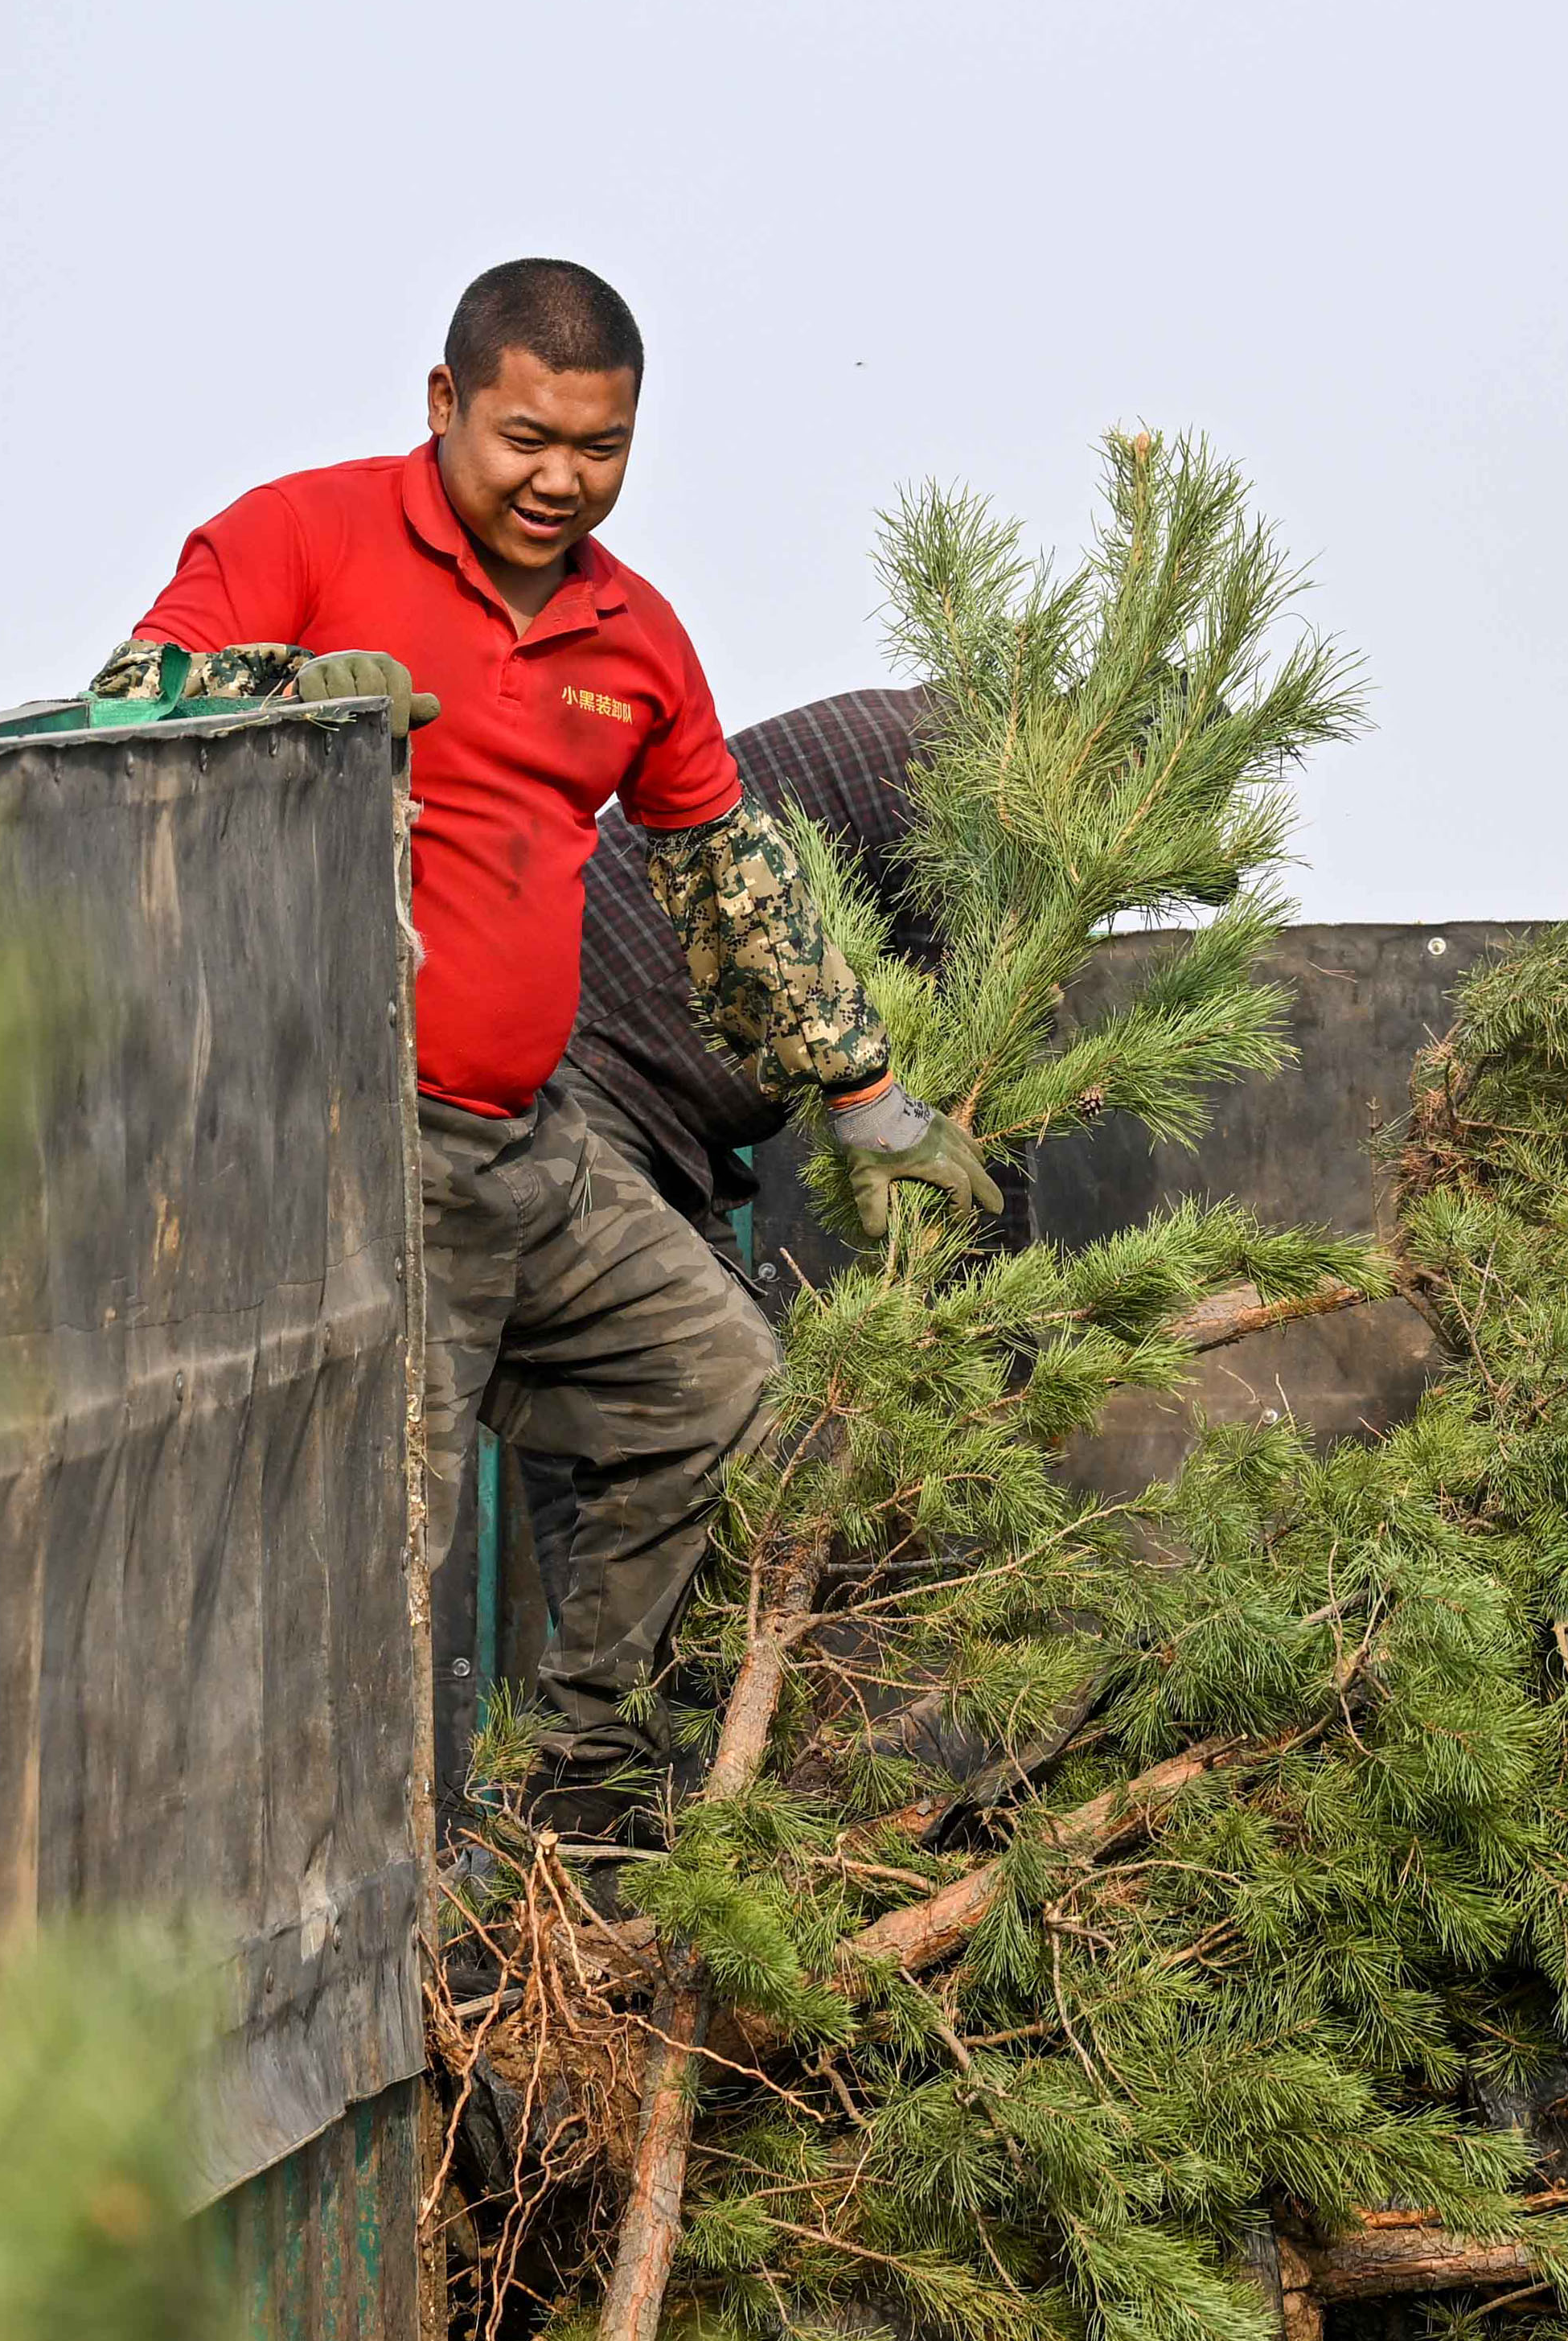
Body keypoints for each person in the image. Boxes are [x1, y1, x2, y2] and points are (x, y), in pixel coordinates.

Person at [95, 260, 994, 1843]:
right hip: (354, 1145)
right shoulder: (300, 537)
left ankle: (577, 1787)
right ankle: (340, 1909)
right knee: (385, 1544)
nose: (561, 479)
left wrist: (870, 1097)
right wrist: (299, 703)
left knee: (715, 1388)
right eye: (527, 437)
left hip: (533, 1144)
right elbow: (130, 719)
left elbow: (728, 873)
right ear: (444, 405)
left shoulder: (631, 633)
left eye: (601, 446)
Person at [544, 684, 944, 1243]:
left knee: (730, 1324)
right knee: (671, 1327)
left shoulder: (927, 728)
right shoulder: (967, 792)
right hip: (585, 1054)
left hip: (652, 1091)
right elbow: (961, 1088)